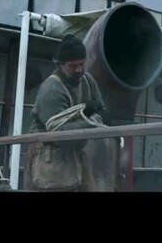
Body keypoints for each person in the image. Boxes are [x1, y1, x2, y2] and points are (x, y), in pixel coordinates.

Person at [25, 34, 108, 192]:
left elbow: (101, 109)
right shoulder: (51, 89)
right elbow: (59, 134)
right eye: (73, 65)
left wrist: (92, 115)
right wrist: (92, 119)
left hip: (77, 153)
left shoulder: (87, 80)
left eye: (82, 64)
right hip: (50, 157)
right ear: (60, 64)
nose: (79, 70)